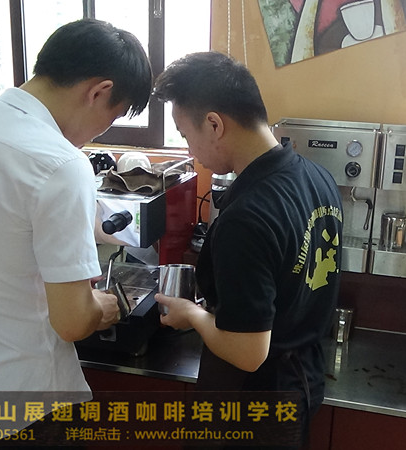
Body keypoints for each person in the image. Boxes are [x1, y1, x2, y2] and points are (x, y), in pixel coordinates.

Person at [0, 18, 152, 439]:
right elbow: (72, 323)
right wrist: (103, 306)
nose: (101, 132)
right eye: (112, 117)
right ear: (99, 92)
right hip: (31, 413)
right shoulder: (61, 164)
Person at [153, 51, 344, 448]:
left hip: (254, 404)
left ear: (214, 124)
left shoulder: (247, 218)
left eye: (186, 136)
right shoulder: (317, 177)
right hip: (301, 382)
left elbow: (247, 352)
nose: (190, 152)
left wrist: (192, 314)